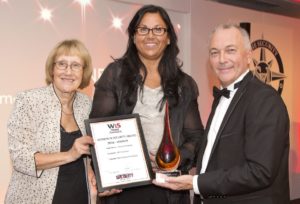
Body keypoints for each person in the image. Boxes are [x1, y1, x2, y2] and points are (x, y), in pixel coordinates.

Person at [153, 24, 290, 204]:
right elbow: (215, 154)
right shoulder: (223, 97)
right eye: (214, 53)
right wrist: (173, 160)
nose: (221, 59)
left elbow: (260, 171)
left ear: (248, 55)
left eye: (230, 50)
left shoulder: (264, 100)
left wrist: (196, 183)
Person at [89, 4, 204, 204]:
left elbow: (196, 137)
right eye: (143, 29)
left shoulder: (184, 84)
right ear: (133, 37)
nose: (150, 35)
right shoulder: (114, 75)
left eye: (158, 29)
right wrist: (104, 176)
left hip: (170, 187)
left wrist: (174, 159)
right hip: (123, 189)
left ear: (168, 38)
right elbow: (97, 131)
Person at [5, 39, 96, 204]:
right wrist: (70, 154)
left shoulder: (87, 104)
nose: (68, 72)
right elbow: (20, 158)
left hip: (79, 196)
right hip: (35, 198)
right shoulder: (29, 101)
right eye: (62, 64)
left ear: (84, 71)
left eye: (76, 65)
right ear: (52, 69)